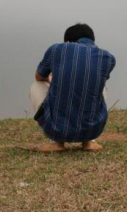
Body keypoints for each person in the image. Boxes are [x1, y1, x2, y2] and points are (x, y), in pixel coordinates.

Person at [29, 23, 116, 152]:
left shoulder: (56, 49)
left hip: (57, 130)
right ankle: (89, 142)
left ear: (68, 42)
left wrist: (52, 80)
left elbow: (39, 76)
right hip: (92, 130)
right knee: (100, 86)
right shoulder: (108, 58)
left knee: (36, 86)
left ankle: (56, 143)